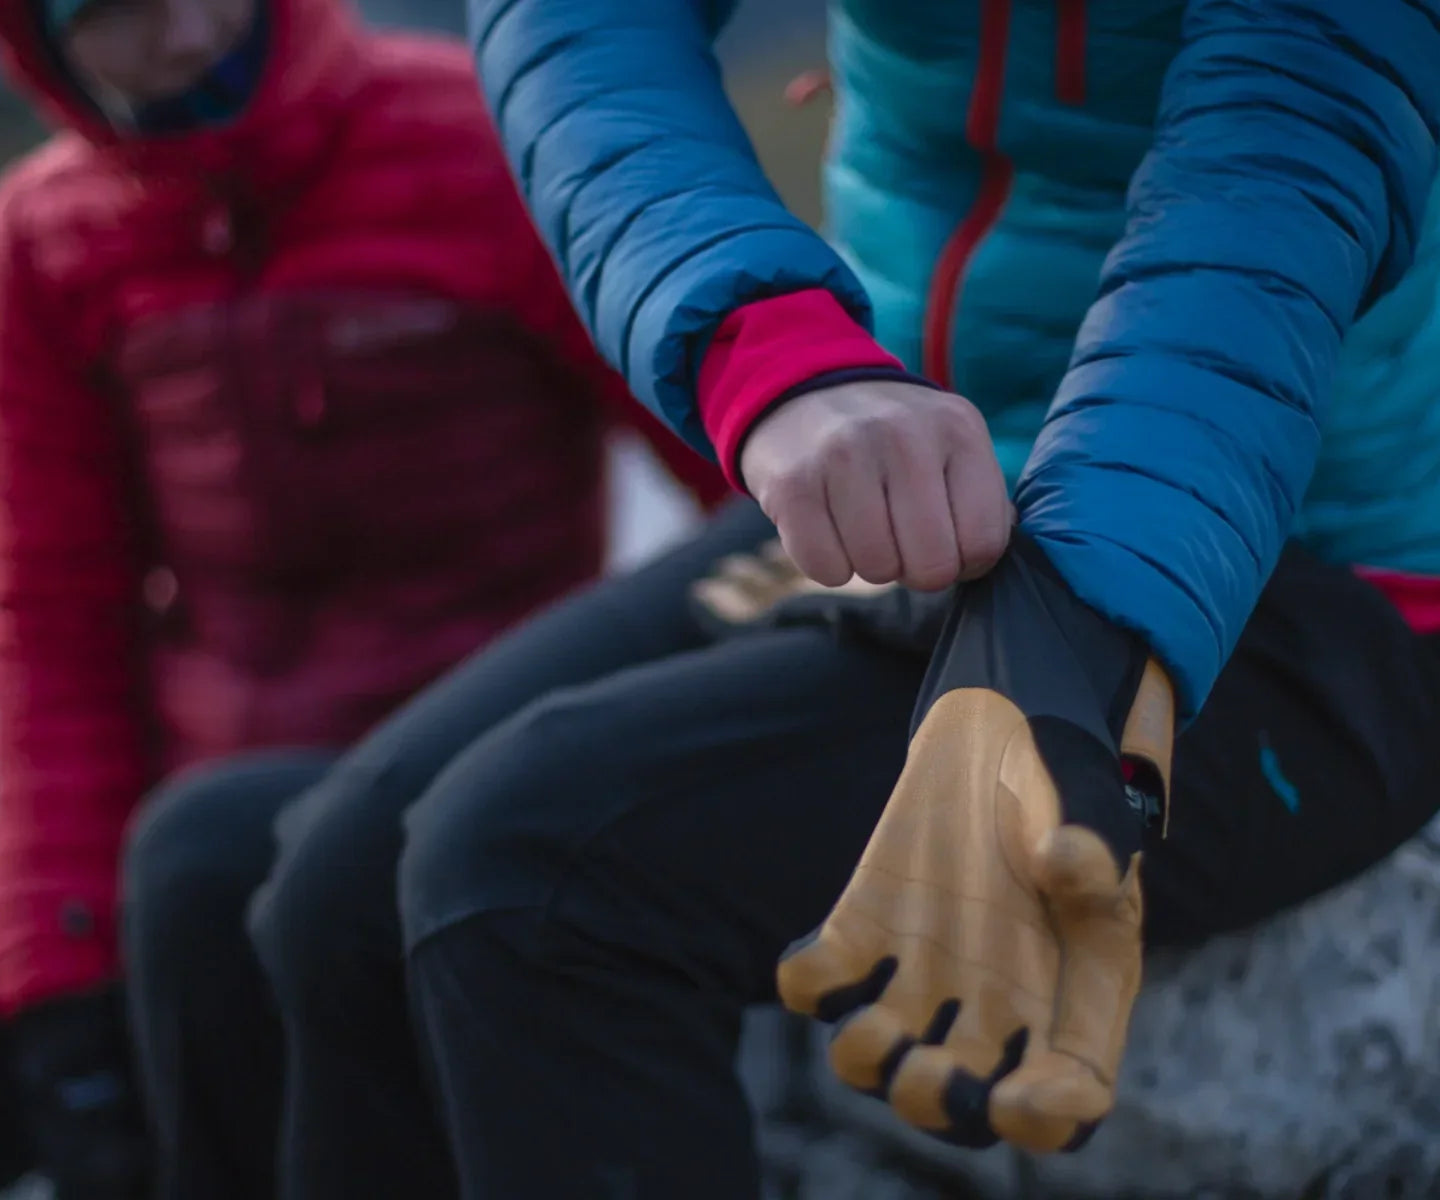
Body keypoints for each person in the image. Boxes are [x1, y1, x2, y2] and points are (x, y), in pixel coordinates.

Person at [126, 0, 1440, 1196]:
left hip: (1307, 574)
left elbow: (1276, 193)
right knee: (333, 896)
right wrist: (777, 355)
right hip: (933, 477)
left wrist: (1069, 650)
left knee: (527, 874)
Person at [0, 0, 728, 1189]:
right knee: (182, 886)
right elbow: (55, 624)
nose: (183, 38)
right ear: (39, 41)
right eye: (120, 12)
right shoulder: (47, 238)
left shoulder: (481, 135)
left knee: (261, 874)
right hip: (215, 803)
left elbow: (719, 454)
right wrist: (57, 976)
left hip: (502, 739)